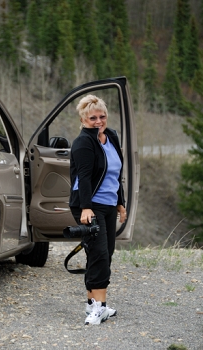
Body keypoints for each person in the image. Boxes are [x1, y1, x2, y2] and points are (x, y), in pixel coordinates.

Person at [69, 94, 127, 325]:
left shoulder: (111, 137)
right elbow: (83, 178)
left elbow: (116, 175)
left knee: (103, 252)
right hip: (89, 206)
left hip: (109, 204)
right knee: (100, 253)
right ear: (83, 119)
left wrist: (120, 203)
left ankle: (92, 304)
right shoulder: (83, 142)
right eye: (92, 117)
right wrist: (85, 208)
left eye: (102, 116)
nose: (98, 121)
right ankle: (100, 308)